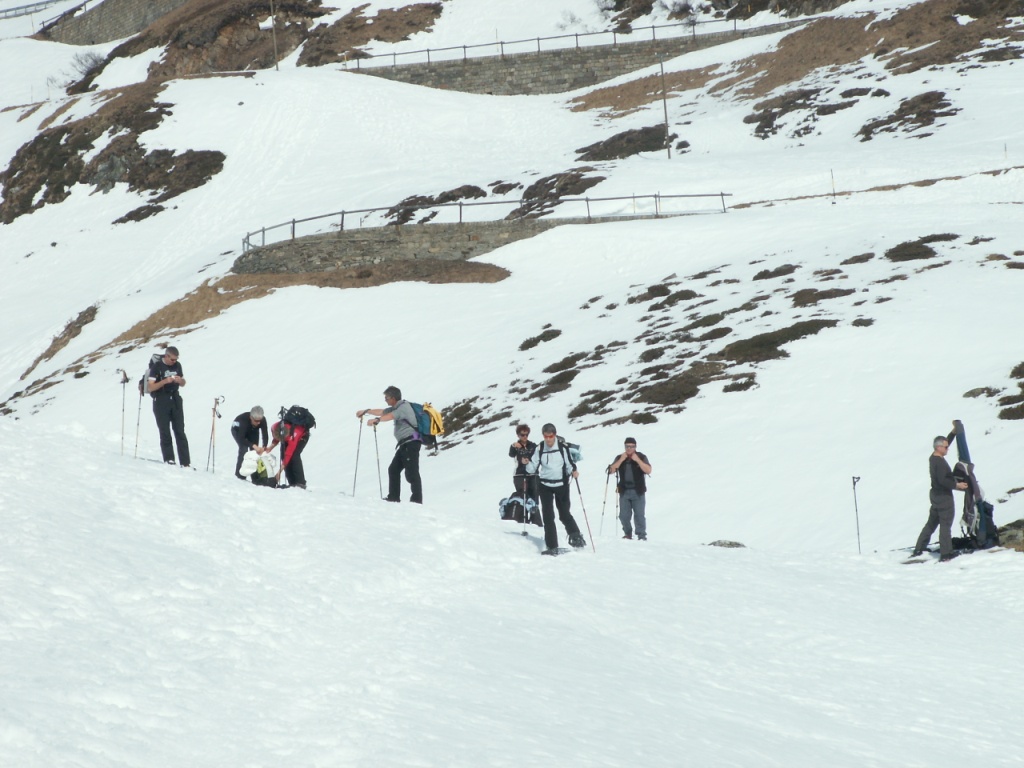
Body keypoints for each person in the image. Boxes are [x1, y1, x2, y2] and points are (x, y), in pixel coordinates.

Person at [525, 423, 586, 553]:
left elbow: (569, 464)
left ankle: (576, 538)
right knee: (548, 516)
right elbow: (532, 468)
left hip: (561, 485)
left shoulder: (563, 448)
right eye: (545, 436)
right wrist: (527, 463)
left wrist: (573, 471)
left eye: (550, 436)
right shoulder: (540, 448)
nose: (548, 439)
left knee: (564, 514)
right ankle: (552, 546)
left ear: (555, 435)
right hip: (544, 485)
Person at [357, 386, 422, 503]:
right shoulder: (396, 407)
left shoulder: (403, 407)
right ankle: (393, 497)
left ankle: (417, 501)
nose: (385, 400)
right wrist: (366, 411)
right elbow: (383, 412)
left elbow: (390, 416)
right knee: (393, 469)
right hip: (404, 444)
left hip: (411, 443)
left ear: (393, 398)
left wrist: (377, 420)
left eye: (387, 398)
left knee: (412, 472)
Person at [912, 432, 968, 561]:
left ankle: (919, 548)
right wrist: (957, 485)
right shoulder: (940, 463)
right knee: (945, 524)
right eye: (946, 447)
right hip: (943, 496)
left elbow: (944, 442)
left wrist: (953, 433)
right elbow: (943, 480)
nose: (948, 449)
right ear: (938, 447)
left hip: (935, 495)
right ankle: (946, 553)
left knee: (931, 523)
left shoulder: (933, 457)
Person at [146, 346, 191, 467]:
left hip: (175, 398)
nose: (174, 362)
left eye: (176, 359)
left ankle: (185, 462)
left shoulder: (178, 366)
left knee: (180, 430)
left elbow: (183, 383)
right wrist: (164, 381)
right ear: (166, 356)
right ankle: (169, 459)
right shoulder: (157, 367)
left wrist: (180, 381)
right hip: (161, 399)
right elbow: (150, 387)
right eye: (172, 359)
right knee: (165, 431)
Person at [608, 437, 652, 540]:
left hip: (638, 491)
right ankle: (628, 533)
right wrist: (621, 460)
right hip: (624, 491)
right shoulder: (620, 457)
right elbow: (610, 471)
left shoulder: (641, 456)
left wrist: (638, 460)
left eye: (632, 446)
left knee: (639, 515)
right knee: (623, 516)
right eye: (627, 446)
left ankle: (641, 535)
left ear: (635, 447)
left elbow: (648, 470)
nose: (629, 448)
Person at [267, 418, 310, 489]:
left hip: (302, 435)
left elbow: (288, 455)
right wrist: (270, 447)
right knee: (283, 455)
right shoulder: (274, 427)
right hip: (287, 436)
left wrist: (279, 472)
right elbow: (277, 437)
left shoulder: (293, 436)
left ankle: (301, 483)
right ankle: (292, 483)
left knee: (294, 456)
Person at [231, 406, 269, 480]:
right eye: (256, 421)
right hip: (238, 430)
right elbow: (241, 438)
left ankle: (255, 478)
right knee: (243, 449)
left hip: (252, 430)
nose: (258, 423)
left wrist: (264, 447)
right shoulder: (243, 420)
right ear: (251, 417)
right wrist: (253, 445)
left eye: (260, 421)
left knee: (255, 452)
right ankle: (240, 475)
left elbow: (265, 434)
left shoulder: (262, 420)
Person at [509, 424, 538, 503]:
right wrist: (513, 446)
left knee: (534, 499)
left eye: (526, 434)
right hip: (520, 475)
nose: (525, 437)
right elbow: (511, 454)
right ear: (518, 435)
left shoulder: (533, 446)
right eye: (522, 435)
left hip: (533, 475)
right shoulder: (515, 446)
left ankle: (535, 511)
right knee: (522, 498)